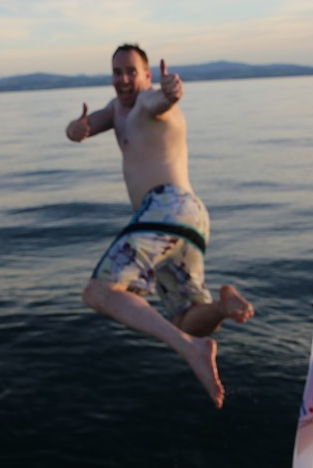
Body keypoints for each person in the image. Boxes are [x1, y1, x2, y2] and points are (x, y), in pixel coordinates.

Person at [66, 44, 254, 409]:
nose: (123, 79)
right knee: (186, 318)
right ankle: (221, 307)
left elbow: (161, 104)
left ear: (147, 76)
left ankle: (190, 350)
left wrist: (171, 94)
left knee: (98, 291)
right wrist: (75, 129)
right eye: (116, 72)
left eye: (131, 72)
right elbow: (88, 127)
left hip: (166, 207)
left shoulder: (148, 103)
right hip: (189, 217)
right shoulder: (118, 110)